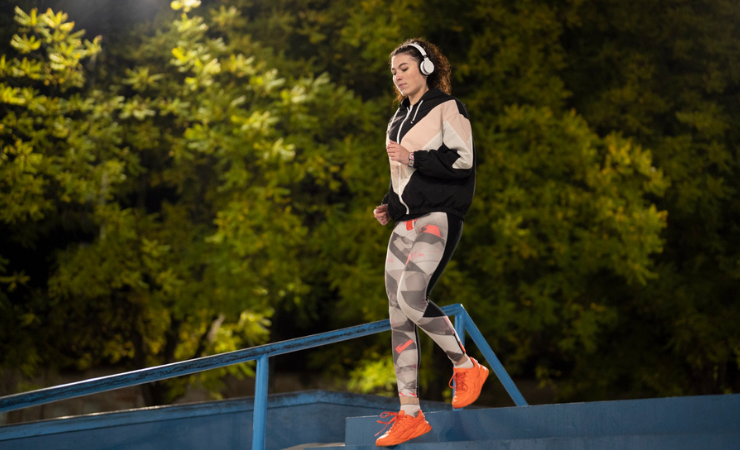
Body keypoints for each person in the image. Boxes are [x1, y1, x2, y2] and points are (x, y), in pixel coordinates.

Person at [372, 38, 489, 447]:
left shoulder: (447, 108)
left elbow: (464, 161)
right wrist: (390, 203)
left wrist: (413, 159)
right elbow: (401, 177)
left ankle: (466, 365)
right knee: (397, 317)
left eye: (404, 67)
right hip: (405, 223)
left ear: (424, 67)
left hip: (438, 218)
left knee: (412, 297)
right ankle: (410, 414)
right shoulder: (396, 119)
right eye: (393, 71)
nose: (398, 75)